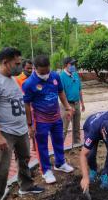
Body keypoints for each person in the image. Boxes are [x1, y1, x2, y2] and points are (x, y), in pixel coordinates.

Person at [0, 47, 44, 200]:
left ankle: (26, 186)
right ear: (5, 62)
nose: (20, 66)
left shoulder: (13, 79)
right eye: (17, 63)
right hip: (4, 133)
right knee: (1, 169)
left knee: (24, 160)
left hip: (21, 130)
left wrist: (28, 126)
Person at [22, 55, 75, 184]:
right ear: (35, 68)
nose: (46, 74)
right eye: (42, 72)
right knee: (42, 146)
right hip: (40, 120)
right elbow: (27, 105)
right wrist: (29, 125)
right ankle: (46, 170)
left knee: (58, 140)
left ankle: (60, 163)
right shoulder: (29, 83)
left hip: (56, 117)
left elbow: (61, 92)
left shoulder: (55, 76)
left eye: (47, 71)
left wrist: (68, 107)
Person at [60, 57, 85, 146]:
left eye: (74, 64)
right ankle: (60, 148)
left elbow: (79, 90)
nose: (73, 66)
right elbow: (61, 93)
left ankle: (77, 144)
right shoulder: (61, 76)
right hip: (66, 105)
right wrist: (68, 107)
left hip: (77, 103)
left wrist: (82, 103)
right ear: (66, 65)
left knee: (77, 127)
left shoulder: (75, 74)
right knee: (64, 128)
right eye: (71, 64)